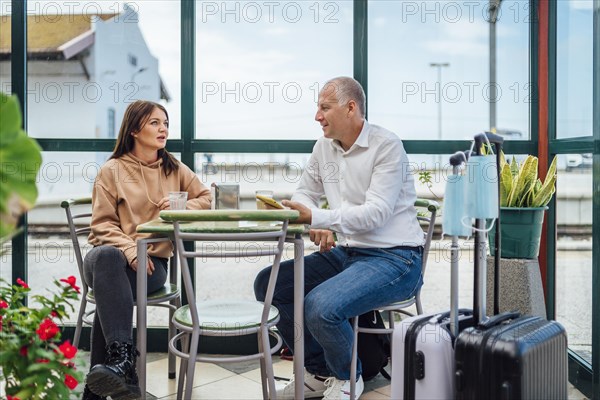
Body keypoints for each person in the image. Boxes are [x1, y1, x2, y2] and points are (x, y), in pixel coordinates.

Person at [254, 77, 425, 400]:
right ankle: (320, 370)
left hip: (397, 258)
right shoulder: (324, 147)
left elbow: (376, 213)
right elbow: (306, 191)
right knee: (270, 283)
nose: (317, 116)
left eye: (324, 107)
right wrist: (312, 213)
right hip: (347, 253)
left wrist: (319, 217)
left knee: (320, 306)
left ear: (351, 108)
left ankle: (348, 377)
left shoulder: (387, 146)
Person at [83, 100, 212, 400]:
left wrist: (183, 204)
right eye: (155, 122)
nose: (163, 128)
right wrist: (129, 250)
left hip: (152, 266)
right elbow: (101, 226)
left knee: (110, 294)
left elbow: (207, 198)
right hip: (107, 258)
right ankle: (124, 367)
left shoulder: (173, 168)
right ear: (134, 129)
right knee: (108, 260)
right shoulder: (111, 170)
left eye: (165, 123)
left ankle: (115, 373)